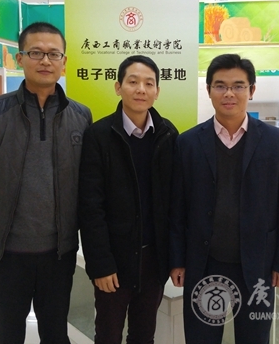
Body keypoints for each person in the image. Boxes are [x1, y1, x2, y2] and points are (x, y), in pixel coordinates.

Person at [0, 21, 92, 343]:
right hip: (7, 250)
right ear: (19, 58)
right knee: (7, 334)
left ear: (64, 62)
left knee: (55, 333)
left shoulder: (81, 116)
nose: (45, 60)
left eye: (53, 54)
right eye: (36, 53)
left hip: (59, 251)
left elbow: (87, 180)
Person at [169, 53, 279, 344]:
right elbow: (177, 207)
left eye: (238, 86)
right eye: (220, 86)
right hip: (204, 263)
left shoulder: (276, 142)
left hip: (257, 265)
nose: (229, 93)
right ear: (209, 90)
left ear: (251, 90)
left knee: (254, 338)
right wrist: (177, 260)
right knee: (201, 339)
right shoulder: (187, 143)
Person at [78, 55, 178, 344]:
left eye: (149, 83)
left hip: (154, 261)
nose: (141, 89)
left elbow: (175, 203)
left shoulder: (168, 134)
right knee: (108, 334)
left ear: (157, 91)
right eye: (133, 82)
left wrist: (173, 258)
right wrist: (100, 264)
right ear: (118, 87)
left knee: (144, 334)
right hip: (114, 260)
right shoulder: (98, 135)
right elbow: (90, 206)